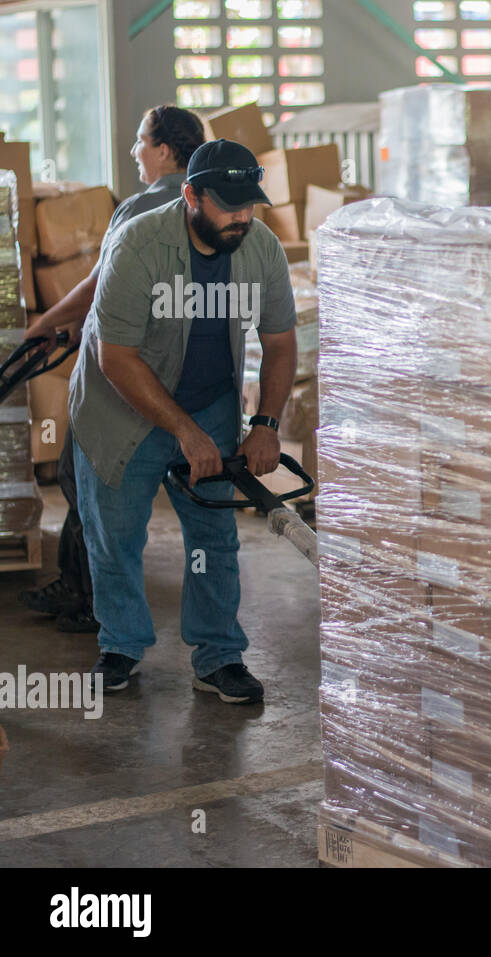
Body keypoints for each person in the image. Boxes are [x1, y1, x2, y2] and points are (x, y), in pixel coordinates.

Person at [67, 138, 298, 703]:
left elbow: (281, 341)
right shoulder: (138, 244)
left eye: (249, 204)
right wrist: (184, 433)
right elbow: (115, 356)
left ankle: (219, 654)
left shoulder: (260, 247)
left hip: (209, 398)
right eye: (227, 204)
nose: (241, 217)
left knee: (213, 537)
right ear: (191, 194)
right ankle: (120, 645)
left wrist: (266, 423)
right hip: (122, 403)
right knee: (115, 534)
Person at [20, 105, 206, 633]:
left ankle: (88, 601)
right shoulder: (210, 205)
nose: (134, 151)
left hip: (121, 382)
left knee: (82, 483)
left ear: (164, 150)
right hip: (185, 380)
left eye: (141, 141)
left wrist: (45, 324)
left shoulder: (142, 207)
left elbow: (100, 285)